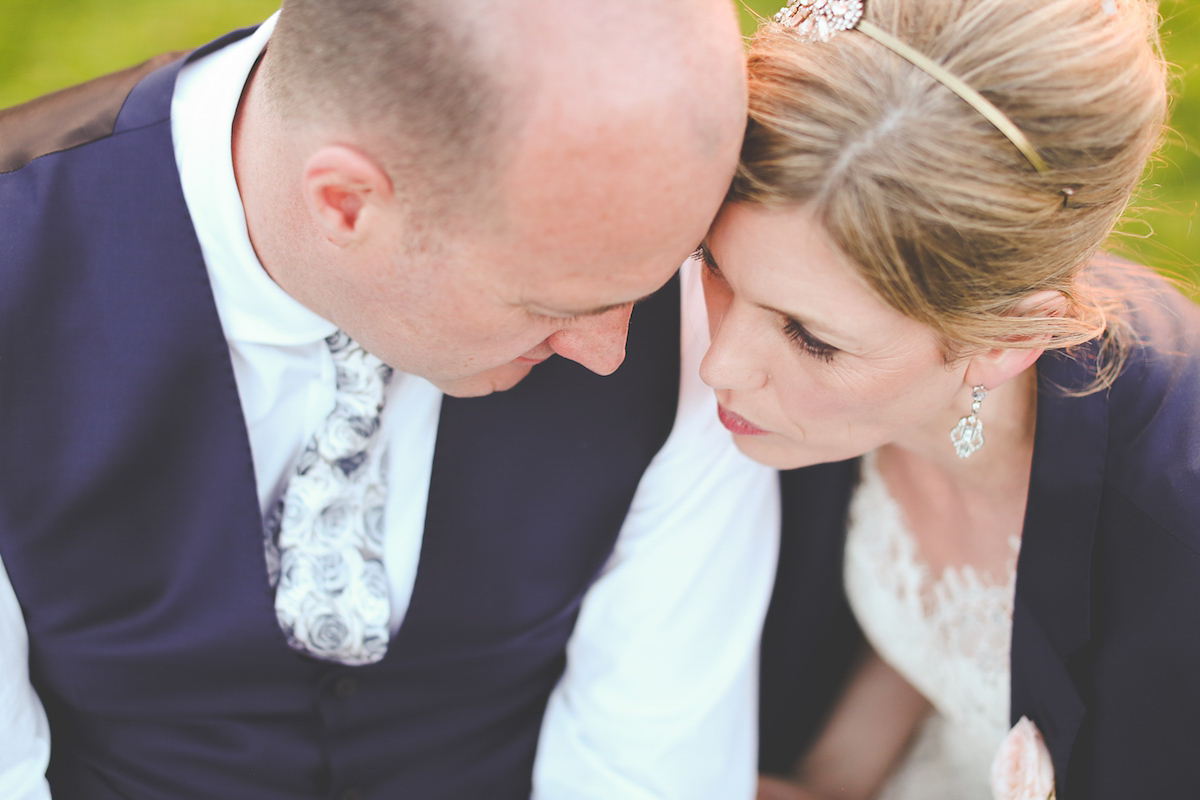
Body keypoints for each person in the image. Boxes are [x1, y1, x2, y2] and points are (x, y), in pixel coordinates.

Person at [0, 2, 781, 798]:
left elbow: (647, 766)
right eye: (552, 306)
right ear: (346, 201)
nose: (612, 353)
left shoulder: (674, 299)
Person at [693, 0, 1196, 798]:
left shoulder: (1176, 538)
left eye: (811, 339)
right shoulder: (875, 376)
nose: (719, 365)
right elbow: (954, 637)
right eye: (714, 264)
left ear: (1003, 343)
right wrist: (834, 778)